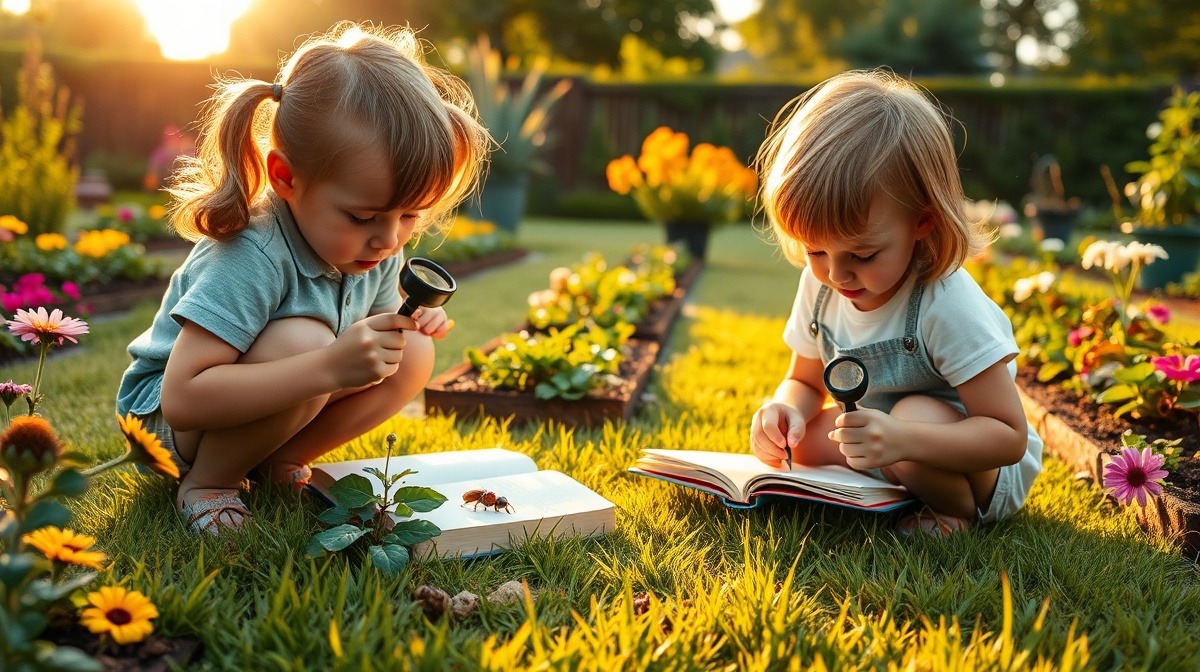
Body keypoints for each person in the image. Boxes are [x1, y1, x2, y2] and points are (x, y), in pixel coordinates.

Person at [116, 23, 490, 535]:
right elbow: (184, 398)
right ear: (286, 178)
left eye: (410, 216)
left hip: (262, 394)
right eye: (364, 217)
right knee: (305, 340)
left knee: (412, 352)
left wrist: (409, 321)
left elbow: (374, 330)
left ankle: (274, 461)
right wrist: (328, 366)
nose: (388, 241)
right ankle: (208, 484)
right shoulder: (252, 251)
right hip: (163, 425)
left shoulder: (370, 250)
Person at [749, 69, 1042, 537]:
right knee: (802, 446)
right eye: (815, 250)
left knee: (909, 414)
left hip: (977, 468)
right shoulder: (820, 285)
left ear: (922, 223)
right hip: (887, 440)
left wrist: (902, 439)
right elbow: (804, 381)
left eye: (862, 255)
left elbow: (1007, 437)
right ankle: (895, 487)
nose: (836, 274)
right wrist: (784, 410)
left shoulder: (946, 301)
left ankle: (953, 513)